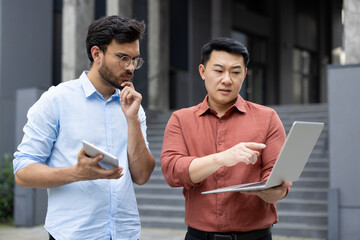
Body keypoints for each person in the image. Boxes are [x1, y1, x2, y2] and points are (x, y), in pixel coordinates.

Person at [13, 16, 155, 240]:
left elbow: (142, 175)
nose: (130, 67)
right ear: (96, 53)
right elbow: (22, 171)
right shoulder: (56, 100)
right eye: (122, 58)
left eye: (135, 59)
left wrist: (133, 120)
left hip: (125, 234)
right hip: (73, 234)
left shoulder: (134, 107)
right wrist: (75, 173)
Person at [160, 37, 292, 240]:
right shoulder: (181, 119)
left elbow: (277, 182)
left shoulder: (267, 118)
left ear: (244, 74)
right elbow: (173, 171)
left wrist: (272, 191)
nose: (227, 79)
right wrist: (221, 158)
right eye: (219, 71)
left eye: (236, 72)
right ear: (203, 72)